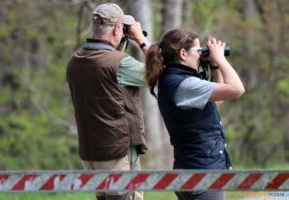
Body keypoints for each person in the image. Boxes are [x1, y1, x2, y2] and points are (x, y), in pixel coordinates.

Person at [145, 29, 245, 200]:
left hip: (192, 170)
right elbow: (237, 89)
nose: (201, 55)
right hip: (202, 176)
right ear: (183, 53)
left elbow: (217, 100)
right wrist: (220, 58)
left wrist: (214, 66)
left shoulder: (174, 80)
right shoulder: (185, 84)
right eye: (199, 51)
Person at [66, 3, 150, 200]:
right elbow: (158, 73)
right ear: (117, 29)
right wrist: (141, 41)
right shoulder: (118, 63)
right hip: (117, 153)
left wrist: (119, 47)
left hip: (90, 154)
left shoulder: (75, 60)